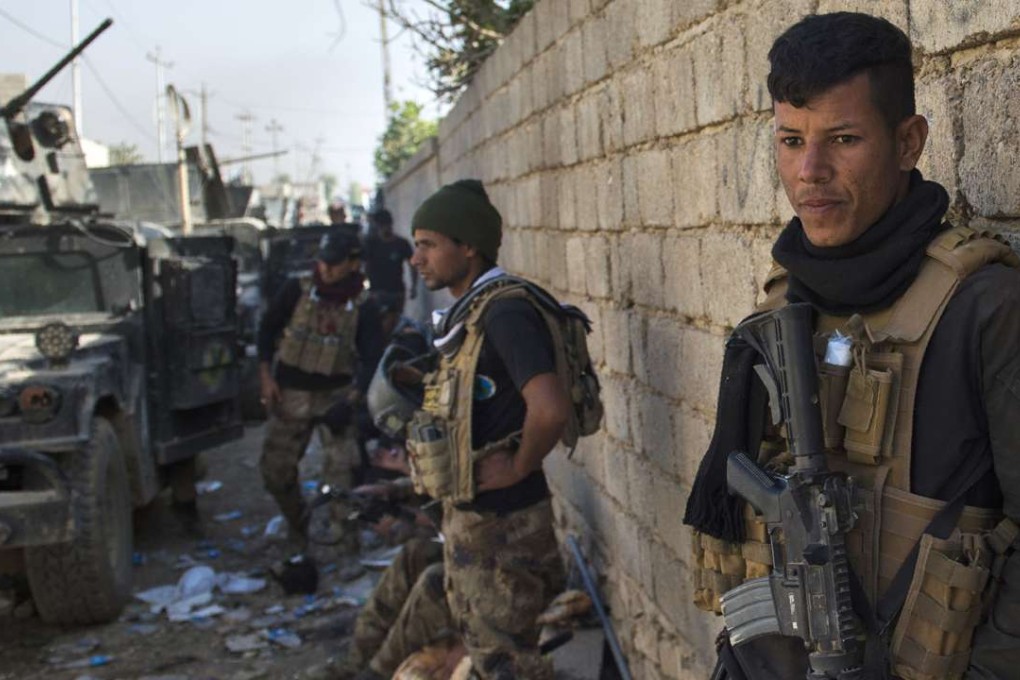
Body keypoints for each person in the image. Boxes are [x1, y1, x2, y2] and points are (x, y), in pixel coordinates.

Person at [682, 12, 1020, 679]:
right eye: (789, 140)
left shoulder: (984, 307)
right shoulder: (783, 304)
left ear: (907, 142)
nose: (809, 171)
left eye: (843, 139)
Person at [403, 179, 571, 679]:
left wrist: (519, 465)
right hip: (481, 525)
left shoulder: (506, 312)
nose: (417, 259)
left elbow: (550, 409)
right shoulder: (473, 312)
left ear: (468, 246)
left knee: (509, 667)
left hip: (503, 527)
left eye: (428, 244)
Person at [257, 230, 384, 548]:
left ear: (353, 263)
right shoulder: (297, 289)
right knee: (276, 470)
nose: (326, 269)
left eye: (335, 264)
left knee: (343, 473)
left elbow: (372, 360)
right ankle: (297, 524)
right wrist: (266, 378)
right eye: (323, 262)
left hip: (335, 396)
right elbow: (267, 329)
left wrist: (352, 400)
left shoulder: (364, 305)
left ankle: (345, 537)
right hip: (290, 394)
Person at [364, 209, 417, 337]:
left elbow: (413, 265)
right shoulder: (371, 244)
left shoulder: (401, 244)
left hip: (396, 292)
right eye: (380, 226)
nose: (383, 229)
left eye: (385, 225)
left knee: (395, 325)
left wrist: (413, 287)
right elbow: (363, 266)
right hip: (378, 292)